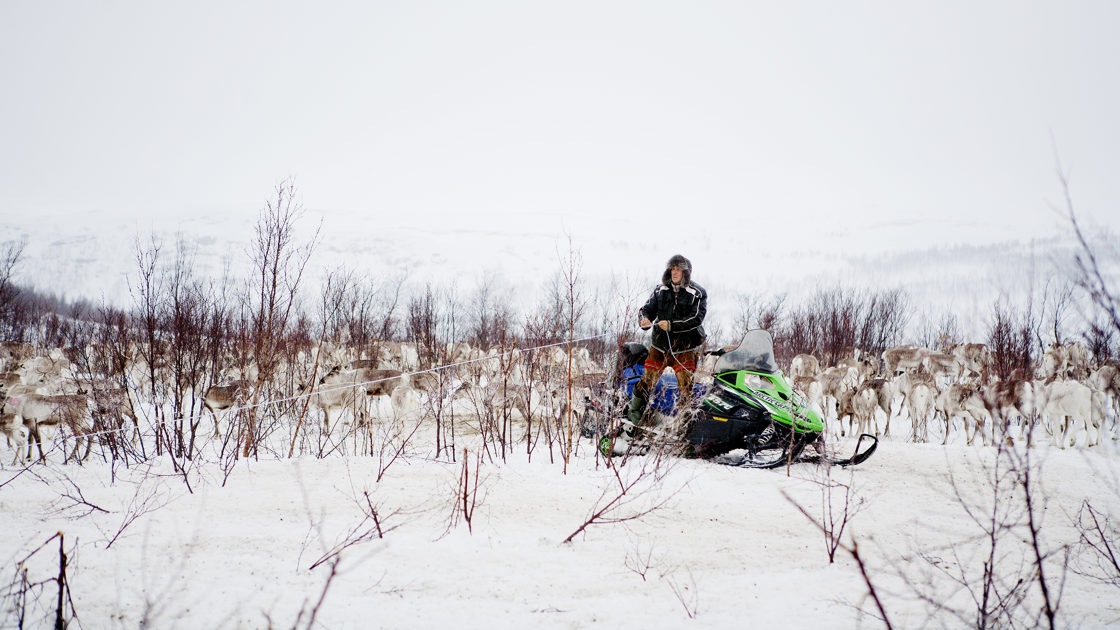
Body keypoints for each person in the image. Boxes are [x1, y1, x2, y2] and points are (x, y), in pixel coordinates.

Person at [626, 254, 707, 427]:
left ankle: (684, 422)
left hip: (684, 349)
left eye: (678, 269)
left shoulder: (698, 293)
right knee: (647, 379)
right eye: (672, 269)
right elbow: (646, 309)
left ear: (686, 273)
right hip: (659, 347)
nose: (674, 272)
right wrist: (644, 320)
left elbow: (696, 319)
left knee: (686, 386)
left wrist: (671, 325)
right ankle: (634, 410)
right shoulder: (660, 290)